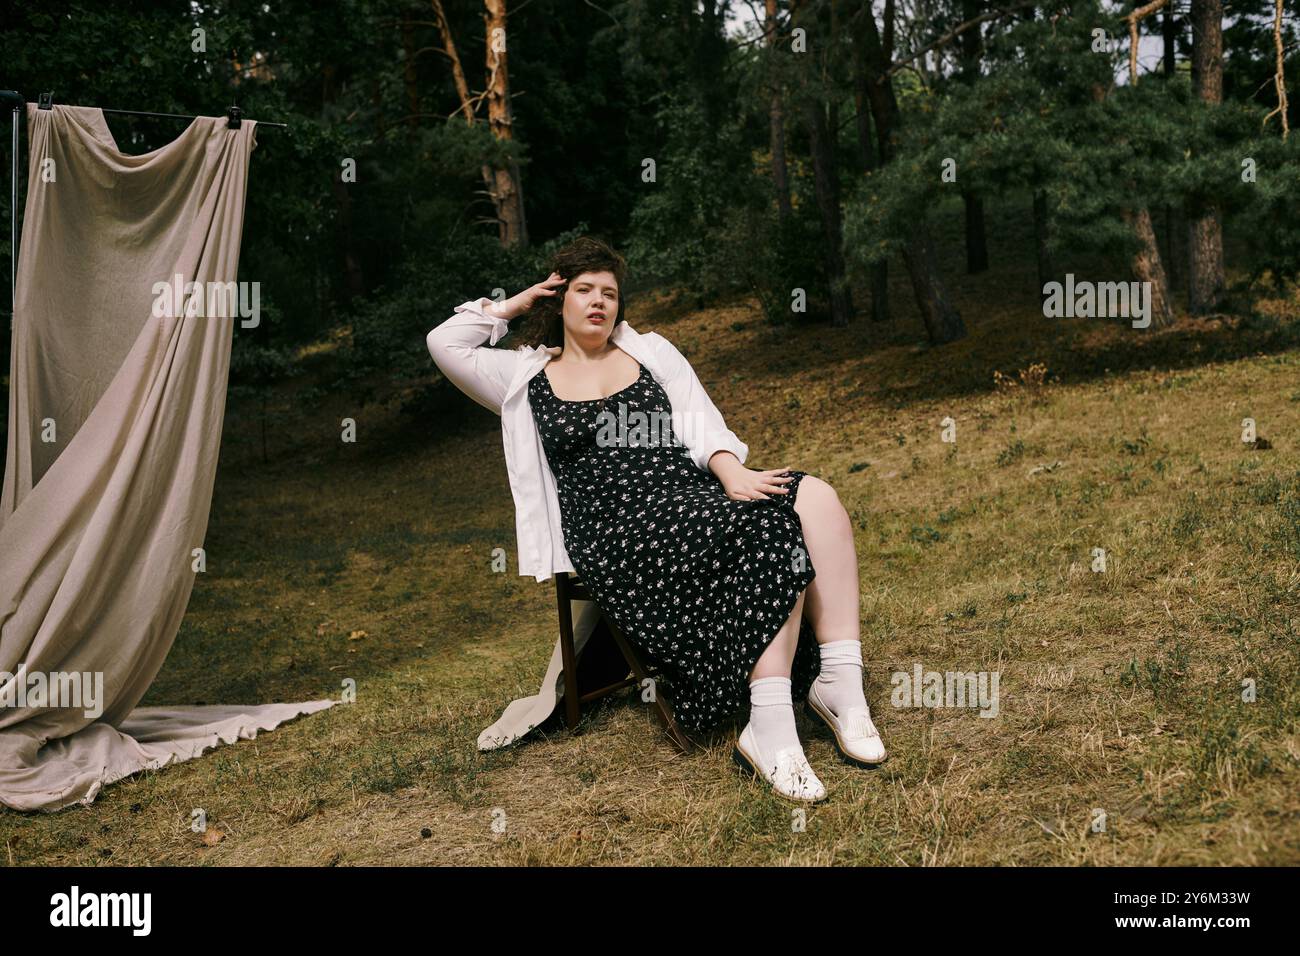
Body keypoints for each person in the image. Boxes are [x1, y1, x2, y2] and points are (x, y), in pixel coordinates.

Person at [426, 237, 885, 803]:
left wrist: (728, 470)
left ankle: (840, 682)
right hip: (615, 531)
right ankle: (769, 727)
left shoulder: (650, 352)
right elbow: (443, 342)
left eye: (610, 293)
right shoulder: (522, 375)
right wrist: (514, 303)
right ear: (559, 297)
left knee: (816, 496)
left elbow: (701, 421)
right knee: (769, 527)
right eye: (584, 289)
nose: (599, 301)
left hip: (687, 496)